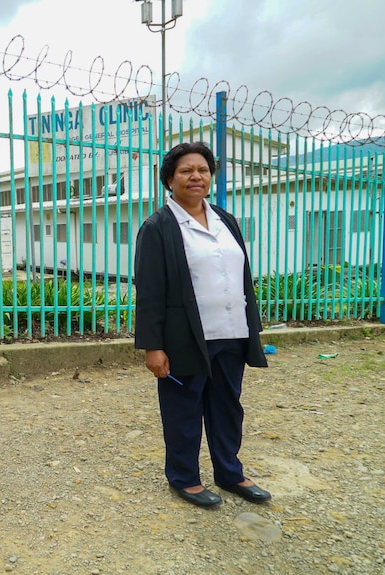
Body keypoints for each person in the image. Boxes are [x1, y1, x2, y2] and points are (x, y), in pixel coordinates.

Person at [134, 141, 270, 508]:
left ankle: (230, 472)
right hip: (185, 339)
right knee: (183, 409)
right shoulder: (158, 227)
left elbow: (241, 277)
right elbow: (148, 292)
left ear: (210, 176)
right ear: (169, 179)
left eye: (203, 170)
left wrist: (251, 327)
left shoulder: (227, 221)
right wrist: (153, 346)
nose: (196, 176)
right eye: (185, 171)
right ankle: (184, 478)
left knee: (228, 406)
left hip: (232, 331)